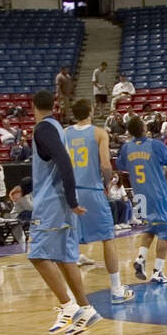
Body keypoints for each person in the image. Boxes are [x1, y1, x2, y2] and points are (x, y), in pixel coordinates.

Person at [28, 90, 100, 335]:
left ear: (33, 106)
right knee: (65, 258)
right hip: (61, 201)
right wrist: (26, 185)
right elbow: (51, 167)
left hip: (52, 205)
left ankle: (68, 306)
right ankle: (86, 308)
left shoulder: (42, 129)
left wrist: (70, 200)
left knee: (37, 255)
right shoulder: (57, 127)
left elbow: (64, 161)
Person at [62, 98, 134, 304]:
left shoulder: (65, 134)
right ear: (91, 111)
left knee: (69, 242)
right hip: (91, 190)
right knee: (107, 238)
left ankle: (69, 297)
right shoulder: (99, 133)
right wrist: (106, 183)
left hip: (70, 192)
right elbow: (105, 165)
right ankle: (117, 290)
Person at [118, 115, 167, 284]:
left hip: (139, 195)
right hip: (156, 194)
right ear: (144, 129)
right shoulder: (155, 145)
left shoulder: (126, 148)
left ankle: (141, 258)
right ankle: (158, 271)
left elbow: (121, 165)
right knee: (165, 232)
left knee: (150, 228)